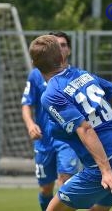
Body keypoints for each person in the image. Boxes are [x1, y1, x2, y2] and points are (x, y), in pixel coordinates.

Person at [30, 34, 112, 211]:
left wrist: (106, 171)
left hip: (107, 161)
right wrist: (107, 124)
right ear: (61, 57)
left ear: (35, 64)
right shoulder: (82, 74)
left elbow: (84, 128)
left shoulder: (51, 94)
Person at [21, 31, 79, 211]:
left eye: (63, 45)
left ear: (68, 50)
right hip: (44, 141)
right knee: (46, 188)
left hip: (67, 140)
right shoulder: (36, 76)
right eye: (56, 45)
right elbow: (26, 104)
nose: (60, 49)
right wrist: (31, 125)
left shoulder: (75, 76)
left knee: (66, 183)